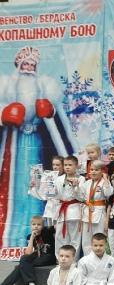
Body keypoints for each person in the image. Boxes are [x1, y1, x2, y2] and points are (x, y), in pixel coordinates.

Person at [0, 47, 78, 246]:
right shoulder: (7, 89)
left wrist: (50, 111)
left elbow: (59, 125)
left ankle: (38, 229)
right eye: (25, 64)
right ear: (19, 65)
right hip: (13, 145)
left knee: (37, 181)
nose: (28, 68)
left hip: (37, 144)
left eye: (32, 65)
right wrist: (4, 114)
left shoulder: (44, 88)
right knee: (15, 184)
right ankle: (13, 230)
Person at [0, 216, 55, 285]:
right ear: (31, 225)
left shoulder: (46, 231)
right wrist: (32, 238)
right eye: (34, 224)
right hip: (37, 255)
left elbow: (57, 226)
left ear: (43, 226)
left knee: (22, 266)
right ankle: (31, 283)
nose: (36, 226)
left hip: (49, 256)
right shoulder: (29, 236)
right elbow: (28, 253)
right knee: (24, 258)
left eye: (39, 224)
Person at [76, 160, 114, 255]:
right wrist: (76, 187)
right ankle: (87, 260)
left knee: (100, 237)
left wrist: (106, 180)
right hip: (87, 212)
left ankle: (101, 258)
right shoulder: (87, 183)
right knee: (86, 240)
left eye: (96, 170)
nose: (93, 172)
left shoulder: (104, 182)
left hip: (99, 212)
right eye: (92, 169)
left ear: (102, 171)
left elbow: (108, 193)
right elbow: (81, 198)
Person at [52, 155, 86, 260]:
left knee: (74, 239)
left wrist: (75, 186)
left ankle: (73, 261)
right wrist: (39, 187)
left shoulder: (81, 179)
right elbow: (53, 196)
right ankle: (60, 260)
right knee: (60, 237)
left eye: (70, 165)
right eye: (65, 165)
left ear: (76, 166)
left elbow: (82, 198)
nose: (67, 167)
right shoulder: (59, 179)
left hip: (74, 211)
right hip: (61, 211)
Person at [28, 156, 64, 226]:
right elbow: (43, 196)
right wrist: (33, 187)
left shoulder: (66, 178)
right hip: (50, 209)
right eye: (53, 164)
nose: (55, 167)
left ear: (63, 166)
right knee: (50, 229)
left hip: (62, 208)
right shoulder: (48, 178)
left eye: (57, 165)